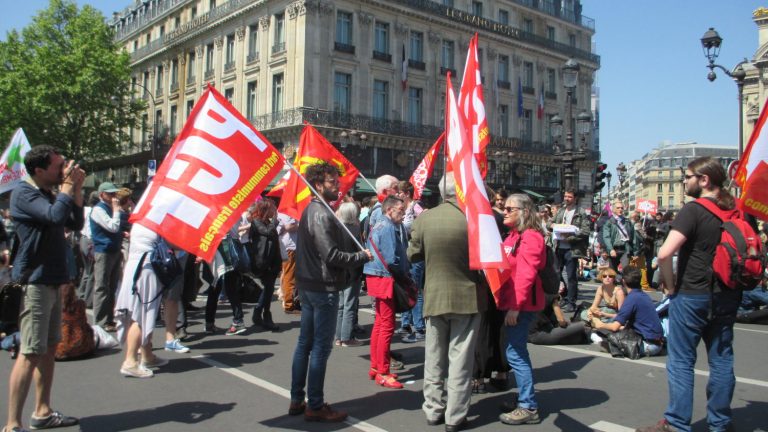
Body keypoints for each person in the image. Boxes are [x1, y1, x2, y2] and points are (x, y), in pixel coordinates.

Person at [637, 157, 743, 432]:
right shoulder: (736, 211)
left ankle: (676, 423)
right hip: (728, 294)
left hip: (692, 293)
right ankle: (720, 423)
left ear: (704, 180)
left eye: (688, 177)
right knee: (721, 359)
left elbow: (664, 253)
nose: (684, 181)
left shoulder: (693, 210)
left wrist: (670, 287)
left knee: (682, 361)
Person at [6, 145, 84, 432]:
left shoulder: (48, 193)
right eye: (58, 165)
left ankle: (42, 411)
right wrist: (66, 187)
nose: (63, 169)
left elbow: (75, 222)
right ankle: (12, 424)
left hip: (53, 279)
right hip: (34, 282)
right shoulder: (24, 194)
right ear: (39, 170)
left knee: (50, 348)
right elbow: (53, 217)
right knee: (30, 351)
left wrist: (75, 190)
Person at [289, 162, 372, 423]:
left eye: (337, 181)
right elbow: (332, 255)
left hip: (310, 285)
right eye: (332, 181)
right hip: (322, 287)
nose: (337, 185)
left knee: (305, 343)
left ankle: (297, 398)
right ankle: (314, 403)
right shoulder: (321, 213)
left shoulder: (314, 210)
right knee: (320, 348)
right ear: (317, 184)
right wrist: (361, 256)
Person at [407, 172, 487, 432]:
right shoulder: (472, 219)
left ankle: (433, 408)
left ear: (441, 192)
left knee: (434, 357)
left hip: (435, 296)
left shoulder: (425, 218)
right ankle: (455, 415)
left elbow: (413, 255)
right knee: (460, 359)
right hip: (467, 297)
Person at [497, 193, 546, 425]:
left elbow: (526, 274)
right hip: (510, 301)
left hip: (521, 304)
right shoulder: (513, 236)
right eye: (504, 208)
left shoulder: (531, 237)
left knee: (516, 353)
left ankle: (528, 406)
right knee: (513, 351)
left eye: (509, 208)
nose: (504, 211)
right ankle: (524, 399)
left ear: (525, 212)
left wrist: (515, 308)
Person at [114, 224, 178, 378]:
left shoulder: (141, 221)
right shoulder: (154, 222)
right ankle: (130, 361)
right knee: (142, 315)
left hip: (137, 265)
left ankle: (147, 355)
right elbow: (171, 242)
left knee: (143, 312)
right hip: (146, 268)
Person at [364, 195, 409, 389]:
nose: (403, 214)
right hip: (385, 277)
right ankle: (383, 371)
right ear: (389, 210)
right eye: (401, 210)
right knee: (387, 325)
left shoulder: (378, 224)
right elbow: (391, 259)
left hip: (375, 275)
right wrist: (405, 275)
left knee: (380, 323)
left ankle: (376, 366)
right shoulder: (389, 227)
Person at [591, 266, 664, 357]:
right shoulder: (643, 296)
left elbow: (615, 327)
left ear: (623, 281)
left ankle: (612, 346)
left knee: (606, 339)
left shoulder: (631, 298)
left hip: (648, 345)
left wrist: (599, 324)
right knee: (615, 333)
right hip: (658, 342)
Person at [90, 181, 126, 332]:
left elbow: (121, 225)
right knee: (102, 287)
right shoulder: (98, 209)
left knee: (112, 287)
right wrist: (117, 211)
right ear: (101, 195)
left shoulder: (111, 207)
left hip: (114, 249)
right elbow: (112, 226)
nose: (113, 196)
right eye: (110, 194)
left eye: (114, 193)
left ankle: (109, 319)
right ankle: (100, 321)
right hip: (103, 251)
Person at [551, 188, 591, 313]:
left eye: (569, 197)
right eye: (565, 196)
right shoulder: (561, 211)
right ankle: (565, 296)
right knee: (556, 274)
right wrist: (551, 225)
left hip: (572, 249)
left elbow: (585, 231)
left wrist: (570, 237)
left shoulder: (580, 212)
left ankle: (571, 301)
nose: (566, 199)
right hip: (559, 248)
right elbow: (550, 223)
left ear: (575, 198)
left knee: (571, 276)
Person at [334, 202, 365, 347]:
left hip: (339, 269)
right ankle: (347, 338)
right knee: (349, 305)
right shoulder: (355, 228)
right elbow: (361, 250)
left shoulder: (337, 228)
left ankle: (339, 337)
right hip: (353, 269)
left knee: (340, 305)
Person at [249, 199, 282, 331]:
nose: (274, 211)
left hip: (273, 260)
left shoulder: (268, 222)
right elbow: (267, 232)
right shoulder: (257, 222)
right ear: (265, 210)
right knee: (268, 288)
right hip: (263, 261)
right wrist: (274, 221)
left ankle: (259, 314)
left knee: (268, 289)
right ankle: (264, 316)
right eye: (272, 209)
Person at [602, 200, 641, 273]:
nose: (620, 209)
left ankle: (625, 283)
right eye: (618, 208)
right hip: (614, 249)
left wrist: (636, 253)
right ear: (613, 209)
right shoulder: (609, 222)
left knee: (626, 270)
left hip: (625, 249)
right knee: (612, 271)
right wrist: (610, 249)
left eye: (621, 208)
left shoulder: (628, 222)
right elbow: (606, 237)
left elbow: (634, 238)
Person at [277, 211, 300, 314]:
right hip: (289, 247)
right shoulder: (286, 211)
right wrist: (301, 224)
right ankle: (289, 304)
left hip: (293, 246)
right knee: (289, 276)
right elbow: (289, 226)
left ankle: (293, 301)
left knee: (293, 275)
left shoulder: (288, 210)